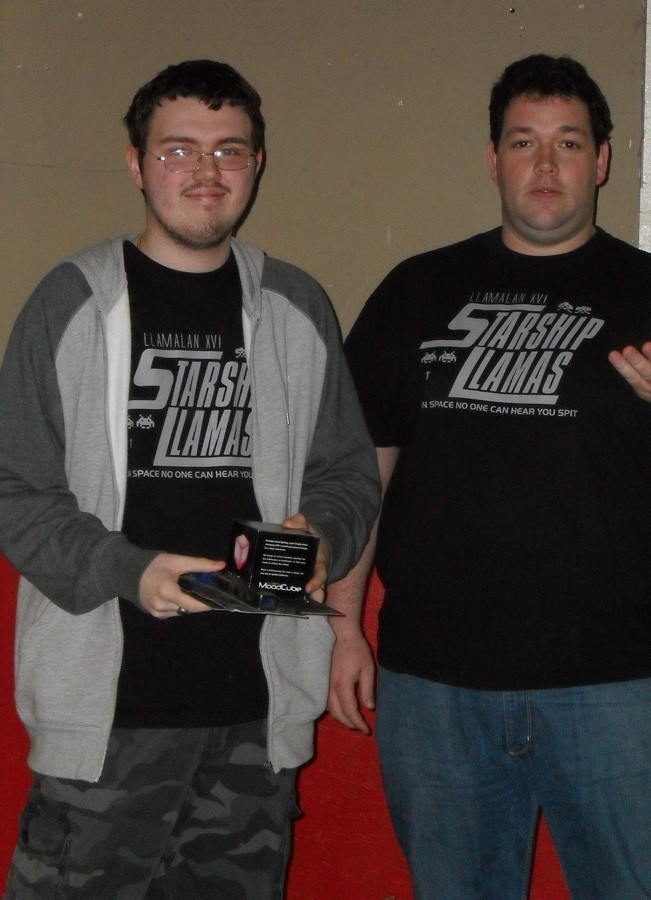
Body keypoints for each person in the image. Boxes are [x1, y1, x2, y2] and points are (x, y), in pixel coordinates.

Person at [0, 59, 379, 899]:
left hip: (253, 714)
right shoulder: (70, 301)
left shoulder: (296, 304)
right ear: (136, 163)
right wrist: (129, 570)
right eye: (178, 150)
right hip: (108, 714)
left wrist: (323, 533)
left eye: (228, 151)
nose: (206, 172)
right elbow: (14, 491)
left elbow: (348, 476)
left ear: (256, 164)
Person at [328, 53, 651, 899]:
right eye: (522, 141)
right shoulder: (415, 290)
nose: (544, 164)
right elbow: (360, 473)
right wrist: (344, 626)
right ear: (491, 158)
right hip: (436, 686)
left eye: (567, 142)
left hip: (620, 688)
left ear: (600, 161)